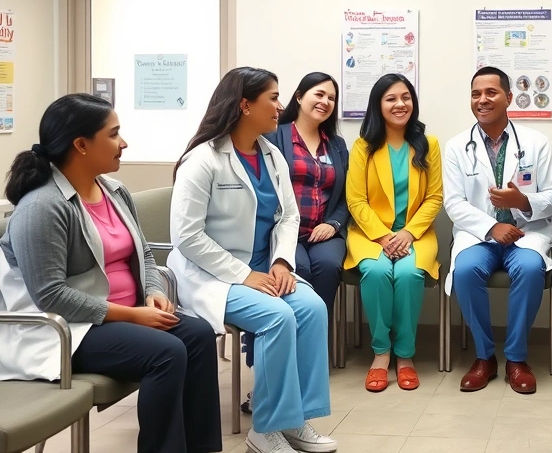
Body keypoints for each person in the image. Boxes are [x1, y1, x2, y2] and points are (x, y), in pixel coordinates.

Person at [0, 94, 221, 453]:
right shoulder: (41, 208)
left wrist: (152, 292)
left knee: (200, 335)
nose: (123, 143)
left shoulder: (113, 191)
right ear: (81, 145)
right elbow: (50, 296)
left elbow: (142, 251)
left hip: (118, 316)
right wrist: (133, 315)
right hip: (62, 331)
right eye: (113, 134)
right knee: (167, 352)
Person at [168, 67, 335, 453]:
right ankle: (265, 429)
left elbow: (288, 216)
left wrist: (281, 263)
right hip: (214, 275)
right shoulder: (203, 160)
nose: (280, 105)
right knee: (278, 316)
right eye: (272, 98)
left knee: (311, 308)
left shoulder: (271, 154)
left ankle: (296, 420)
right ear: (245, 105)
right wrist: (245, 275)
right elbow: (187, 237)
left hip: (265, 269)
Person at [443, 67, 552, 394]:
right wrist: (492, 226)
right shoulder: (457, 147)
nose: (482, 100)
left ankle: (515, 358)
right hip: (478, 236)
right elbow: (454, 204)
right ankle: (484, 357)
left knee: (529, 268)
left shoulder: (536, 143)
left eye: (491, 92)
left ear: (509, 98)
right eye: (475, 94)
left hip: (527, 233)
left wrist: (522, 201)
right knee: (466, 271)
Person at [345, 73, 442, 392]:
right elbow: (356, 199)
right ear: (378, 105)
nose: (400, 104)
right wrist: (384, 236)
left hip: (416, 234)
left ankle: (405, 356)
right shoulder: (363, 147)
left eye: (406, 98)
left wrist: (409, 233)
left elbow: (434, 197)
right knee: (374, 271)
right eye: (391, 99)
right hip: (370, 234)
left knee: (409, 274)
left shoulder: (429, 144)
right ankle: (380, 354)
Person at [265, 72, 349, 320]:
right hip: (284, 230)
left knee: (328, 266)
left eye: (332, 98)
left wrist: (333, 224)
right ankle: (291, 335)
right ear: (300, 97)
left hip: (324, 231)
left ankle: (318, 341)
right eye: (319, 94)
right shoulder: (274, 137)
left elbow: (346, 196)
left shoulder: (336, 144)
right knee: (298, 267)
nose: (325, 102)